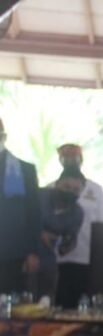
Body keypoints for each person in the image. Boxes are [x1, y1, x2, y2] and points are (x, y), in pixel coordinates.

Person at [54, 144, 103, 310]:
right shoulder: (51, 188)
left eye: (75, 158)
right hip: (57, 260)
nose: (71, 161)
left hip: (87, 258)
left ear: (82, 160)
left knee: (83, 306)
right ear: (60, 160)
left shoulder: (95, 189)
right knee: (59, 305)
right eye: (67, 158)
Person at [0, 117, 41, 294]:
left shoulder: (24, 170)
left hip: (13, 251)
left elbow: (34, 213)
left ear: (3, 136)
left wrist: (32, 251)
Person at [32, 167, 85, 301]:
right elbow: (18, 221)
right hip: (23, 254)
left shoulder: (77, 212)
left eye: (75, 190)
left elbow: (70, 239)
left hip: (49, 259)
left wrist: (65, 243)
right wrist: (39, 233)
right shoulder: (38, 196)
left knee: (46, 302)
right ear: (57, 184)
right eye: (66, 187)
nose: (70, 192)